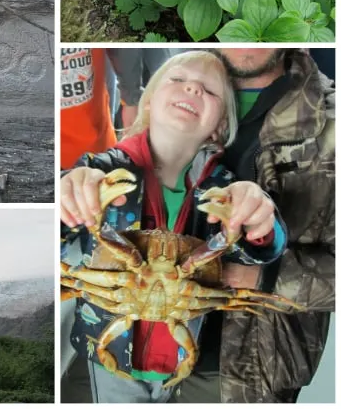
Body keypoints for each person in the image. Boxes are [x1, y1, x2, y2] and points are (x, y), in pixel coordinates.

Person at [61, 50, 288, 403]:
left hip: (186, 365)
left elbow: (257, 253)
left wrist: (260, 220)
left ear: (220, 126)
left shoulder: (226, 189)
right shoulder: (100, 170)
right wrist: (67, 197)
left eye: (209, 91)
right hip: (105, 360)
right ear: (148, 101)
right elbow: (61, 242)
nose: (192, 89)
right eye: (178, 79)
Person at [167, 48, 335, 404]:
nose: (245, 47)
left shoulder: (331, 126)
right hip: (141, 357)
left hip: (247, 376)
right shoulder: (174, 95)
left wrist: (260, 277)